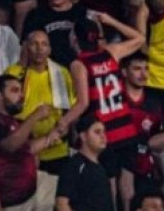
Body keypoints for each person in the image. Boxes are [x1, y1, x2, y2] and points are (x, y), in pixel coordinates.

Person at [67, 17, 145, 209]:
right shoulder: (111, 52)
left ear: (75, 40)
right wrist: (112, 21)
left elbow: (83, 103)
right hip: (126, 129)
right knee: (127, 186)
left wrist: (62, 123)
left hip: (105, 132)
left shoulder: (79, 64)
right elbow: (140, 38)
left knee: (109, 186)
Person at [5, 31, 76, 193]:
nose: (39, 49)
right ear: (27, 48)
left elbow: (71, 109)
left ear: (50, 49)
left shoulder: (61, 73)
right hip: (25, 152)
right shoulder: (14, 74)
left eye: (44, 44)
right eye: (34, 44)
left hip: (57, 150)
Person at [0, 75, 56, 210]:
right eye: (15, 91)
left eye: (21, 91)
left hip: (35, 187)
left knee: (74, 189)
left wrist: (53, 136)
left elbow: (26, 148)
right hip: (13, 200)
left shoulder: (12, 121)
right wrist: (34, 116)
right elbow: (10, 146)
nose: (21, 96)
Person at [23, 0, 89, 67]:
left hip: (81, 68)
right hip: (47, 70)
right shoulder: (35, 15)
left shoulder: (83, 13)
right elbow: (26, 49)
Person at [121, 54, 164, 204]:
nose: (143, 74)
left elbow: (154, 136)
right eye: (137, 69)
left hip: (144, 169)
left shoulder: (154, 102)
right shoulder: (115, 100)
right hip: (118, 166)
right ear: (124, 72)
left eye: (146, 69)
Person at [56, 113, 115, 211]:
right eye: (97, 132)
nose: (103, 136)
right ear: (83, 136)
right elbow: (61, 203)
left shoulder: (101, 166)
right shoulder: (74, 165)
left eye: (104, 132)